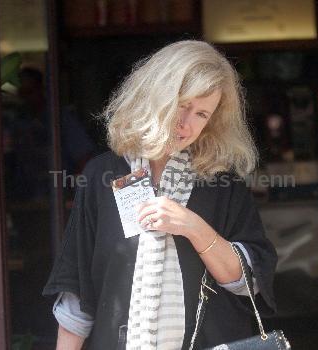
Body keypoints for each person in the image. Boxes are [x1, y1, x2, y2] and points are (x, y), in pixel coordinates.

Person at [43, 40, 277, 350]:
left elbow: (245, 282)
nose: (186, 124)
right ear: (155, 95)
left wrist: (193, 226)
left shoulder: (222, 183)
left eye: (202, 114)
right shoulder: (104, 175)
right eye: (182, 104)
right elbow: (77, 289)